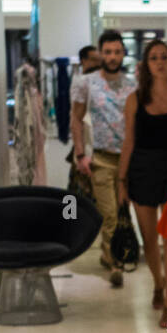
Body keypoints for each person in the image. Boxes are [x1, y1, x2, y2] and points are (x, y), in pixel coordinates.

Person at [117, 39, 167, 327]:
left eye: (164, 56)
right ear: (146, 65)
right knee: (150, 240)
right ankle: (158, 283)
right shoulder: (134, 100)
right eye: (154, 58)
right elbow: (128, 142)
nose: (160, 62)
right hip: (141, 170)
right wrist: (121, 180)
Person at [72, 30, 134, 287]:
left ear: (123, 53)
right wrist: (80, 154)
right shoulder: (87, 83)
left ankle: (114, 251)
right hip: (101, 158)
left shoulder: (133, 85)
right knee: (108, 213)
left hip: (129, 158)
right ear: (101, 54)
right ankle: (115, 261)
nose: (112, 56)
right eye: (107, 52)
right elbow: (76, 118)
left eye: (117, 51)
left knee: (123, 211)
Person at [66, 46, 102, 204]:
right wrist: (80, 154)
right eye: (93, 59)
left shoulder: (101, 82)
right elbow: (76, 119)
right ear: (83, 61)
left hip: (97, 147)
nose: (97, 63)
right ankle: (71, 226)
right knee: (78, 199)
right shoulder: (79, 82)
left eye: (98, 59)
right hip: (85, 148)